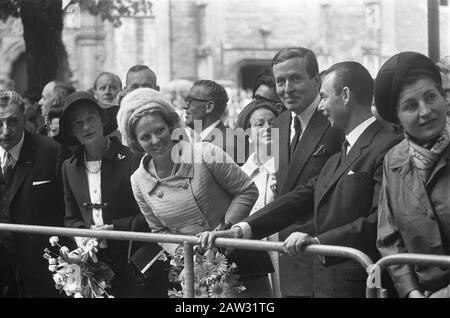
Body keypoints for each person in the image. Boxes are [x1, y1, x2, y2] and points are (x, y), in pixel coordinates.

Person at [206, 61, 402, 298]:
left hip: (362, 284)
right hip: (328, 284)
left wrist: (319, 240)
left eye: (324, 97)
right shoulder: (341, 153)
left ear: (346, 95)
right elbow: (302, 197)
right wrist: (242, 230)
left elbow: (380, 219)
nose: (320, 107)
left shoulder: (387, 146)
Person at [118, 87, 274, 297]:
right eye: (146, 137)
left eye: (160, 130)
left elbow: (247, 191)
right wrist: (185, 254)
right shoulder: (138, 181)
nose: (156, 140)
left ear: (171, 127)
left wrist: (223, 230)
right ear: (136, 142)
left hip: (240, 257)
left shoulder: (205, 153)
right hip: (193, 268)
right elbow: (158, 230)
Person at [57, 91, 167, 298]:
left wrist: (115, 228)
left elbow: (155, 214)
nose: (86, 127)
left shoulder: (133, 160)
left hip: (133, 258)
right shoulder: (69, 167)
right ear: (72, 131)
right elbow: (71, 218)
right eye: (78, 123)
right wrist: (85, 240)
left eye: (90, 119)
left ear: (103, 120)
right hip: (93, 262)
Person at [259, 47, 343, 297]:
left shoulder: (336, 120)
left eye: (295, 78)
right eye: (280, 81)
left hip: (327, 257)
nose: (287, 88)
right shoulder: (280, 124)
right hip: (290, 258)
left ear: (316, 80)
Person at [375, 52, 450, 298]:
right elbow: (390, 238)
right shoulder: (394, 161)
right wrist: (411, 292)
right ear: (397, 118)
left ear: (443, 97)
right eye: (410, 106)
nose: (426, 111)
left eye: (431, 97)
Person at [0, 90, 68, 297]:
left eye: (12, 122)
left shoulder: (51, 151)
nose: (5, 131)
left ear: (25, 118)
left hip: (44, 269)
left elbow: (67, 210)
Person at [236, 99, 281, 297]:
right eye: (259, 124)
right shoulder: (238, 175)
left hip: (283, 255)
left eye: (273, 123)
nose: (267, 128)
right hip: (254, 263)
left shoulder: (288, 170)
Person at [183, 80, 240, 164]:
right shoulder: (215, 140)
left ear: (209, 107)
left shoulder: (223, 145)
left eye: (190, 101)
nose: (185, 106)